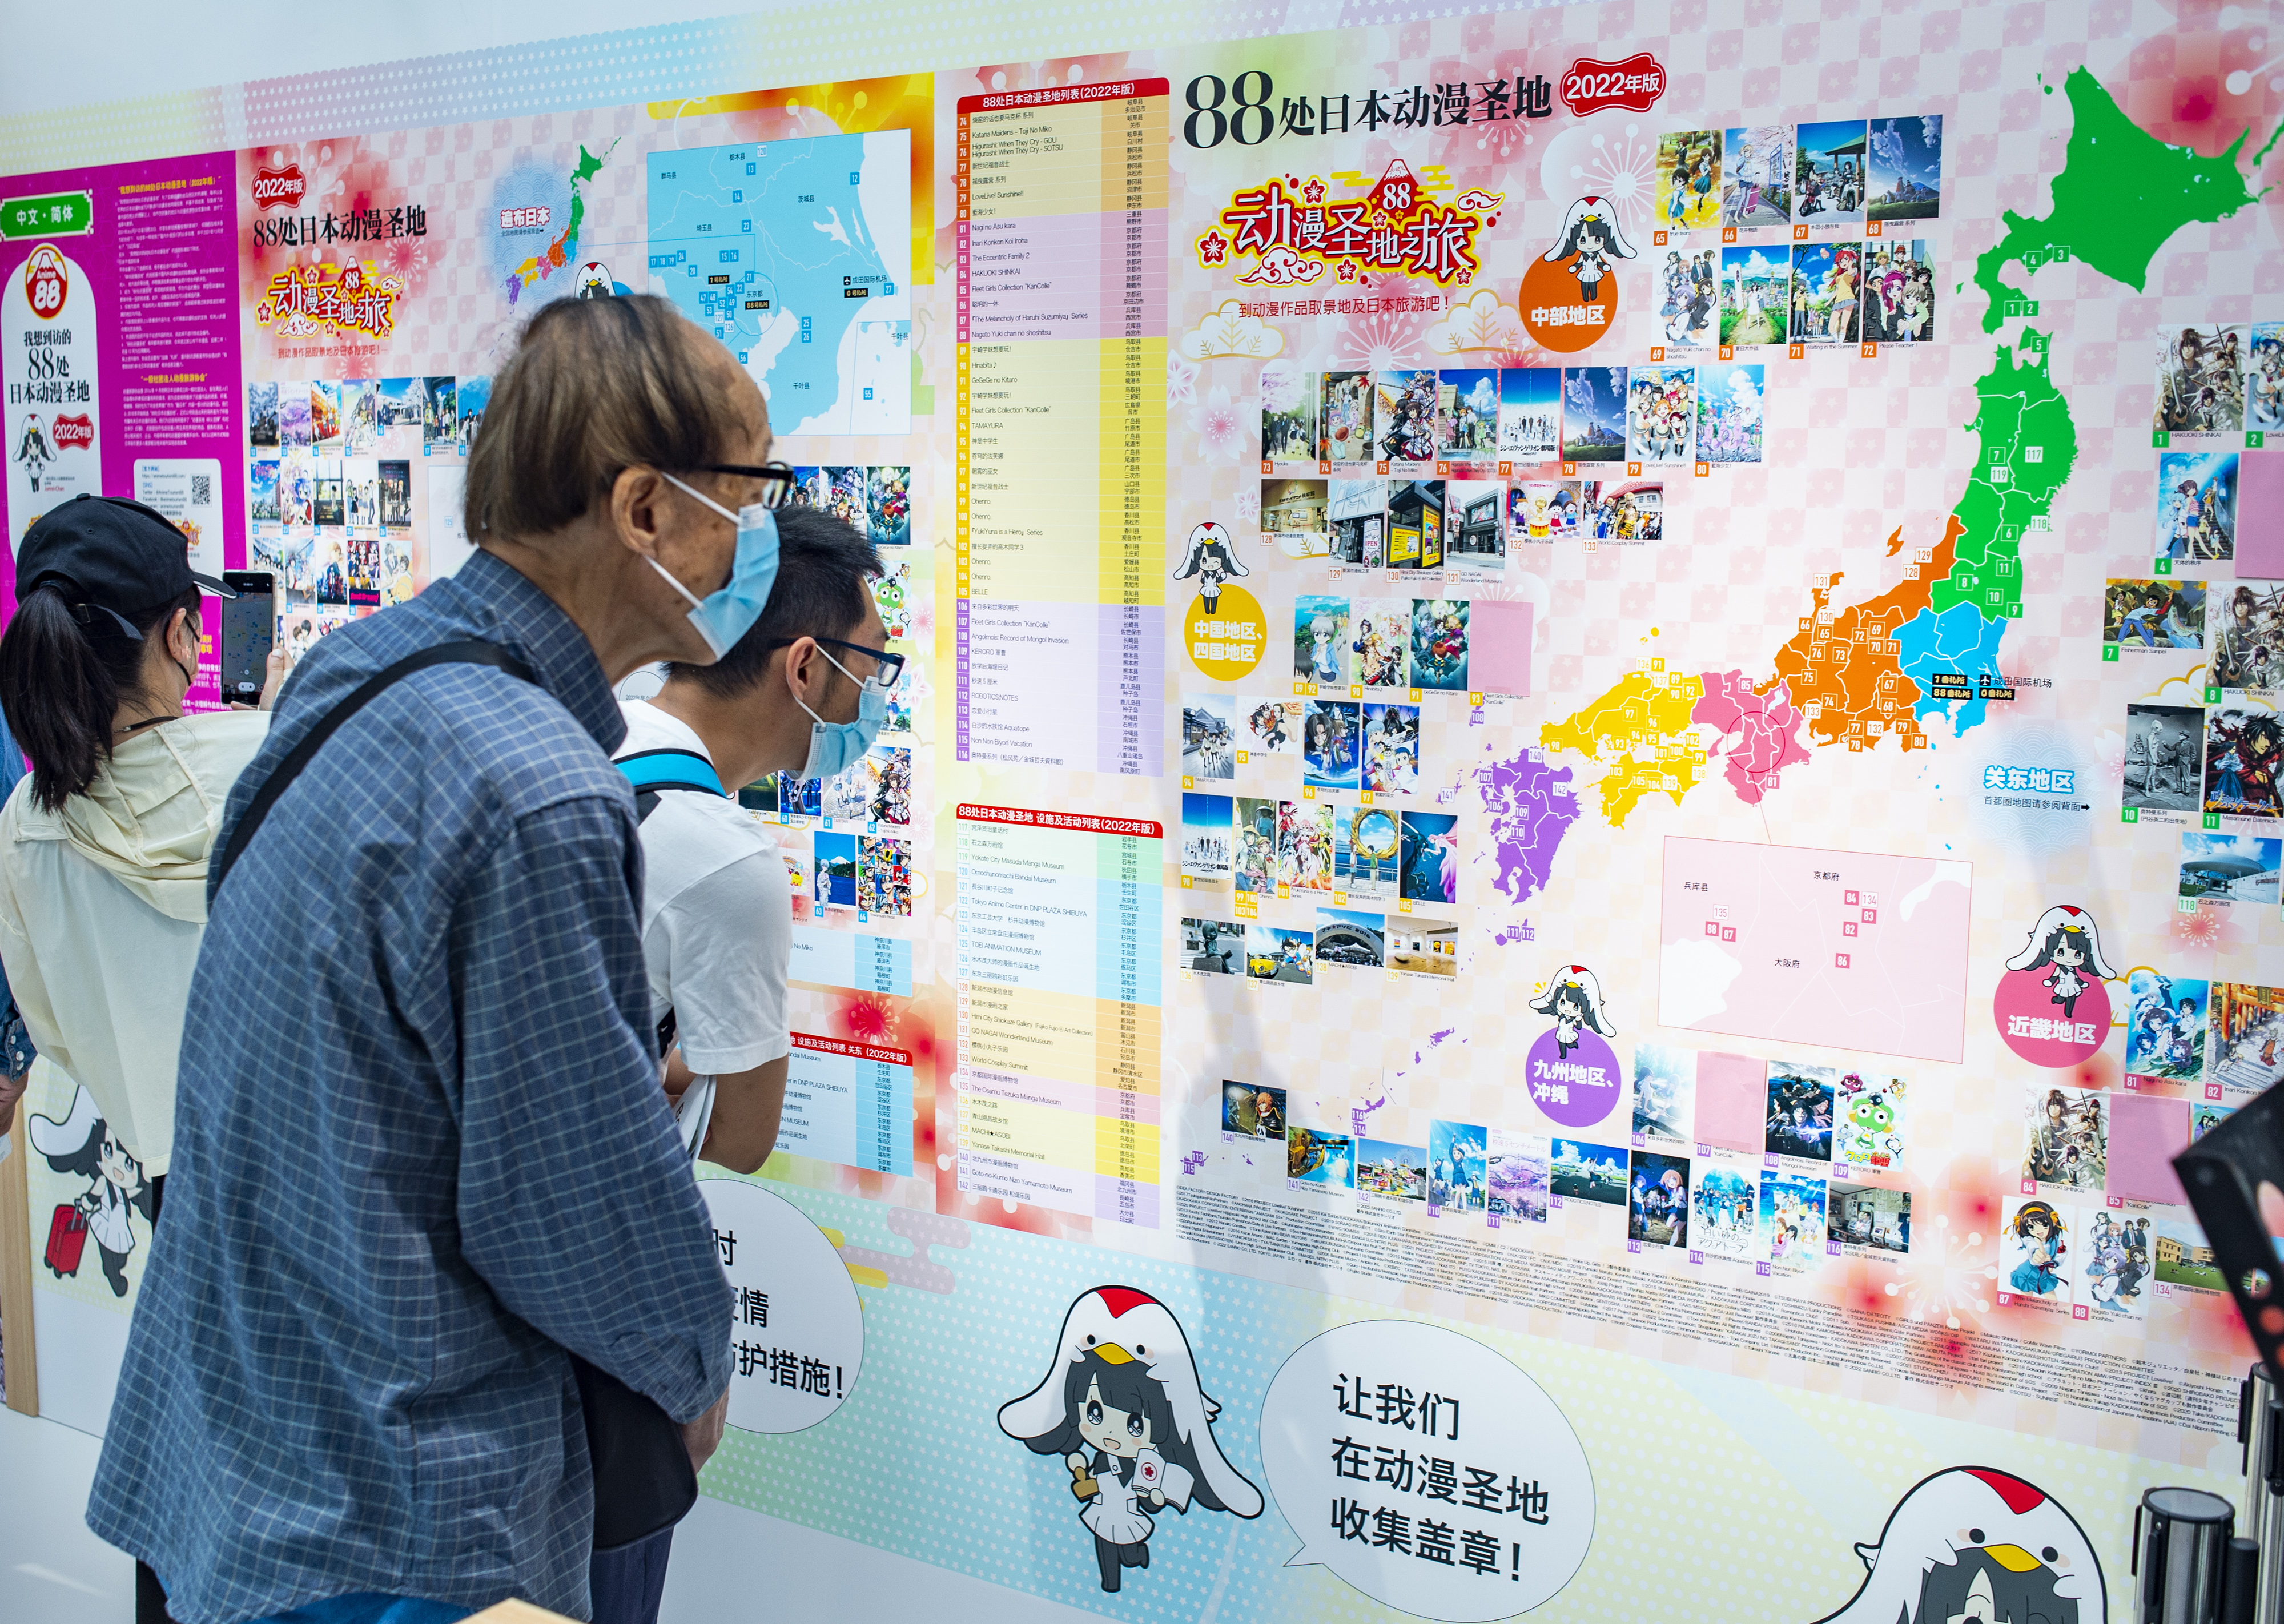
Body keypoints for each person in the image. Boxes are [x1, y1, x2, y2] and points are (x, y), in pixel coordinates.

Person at [86, 294, 781, 1624]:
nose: (757, 535)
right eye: (747, 494)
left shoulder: (356, 668)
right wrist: (692, 1366)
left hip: (230, 1451)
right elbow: (574, 1203)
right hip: (395, 1517)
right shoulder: (537, 787)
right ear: (646, 510)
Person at [0, 495, 286, 1619]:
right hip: (325, 1189)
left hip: (173, 1181)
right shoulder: (268, 760)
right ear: (182, 632)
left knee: (199, 1448)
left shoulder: (27, 825)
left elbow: (56, 1032)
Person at [617, 504, 891, 1183]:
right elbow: (738, 1140)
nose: (876, 692)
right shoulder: (725, 860)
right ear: (804, 668)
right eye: (874, 661)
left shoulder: (588, 729)